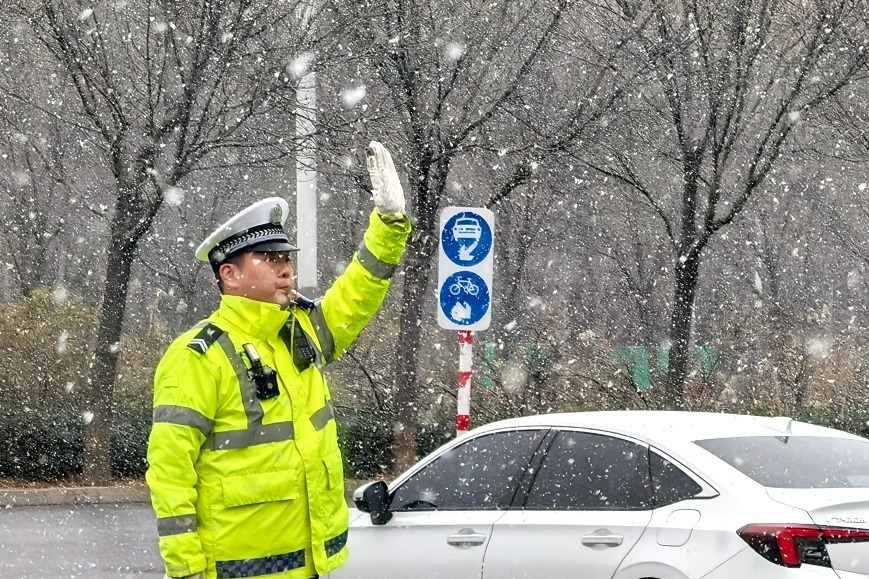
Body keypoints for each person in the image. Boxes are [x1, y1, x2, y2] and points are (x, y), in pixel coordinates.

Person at [146, 141, 410, 579]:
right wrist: (186, 566)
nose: (286, 268)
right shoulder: (197, 357)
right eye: (269, 259)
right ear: (229, 274)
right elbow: (170, 469)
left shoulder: (299, 331)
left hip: (314, 565)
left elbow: (358, 292)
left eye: (286, 258)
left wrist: (389, 225)